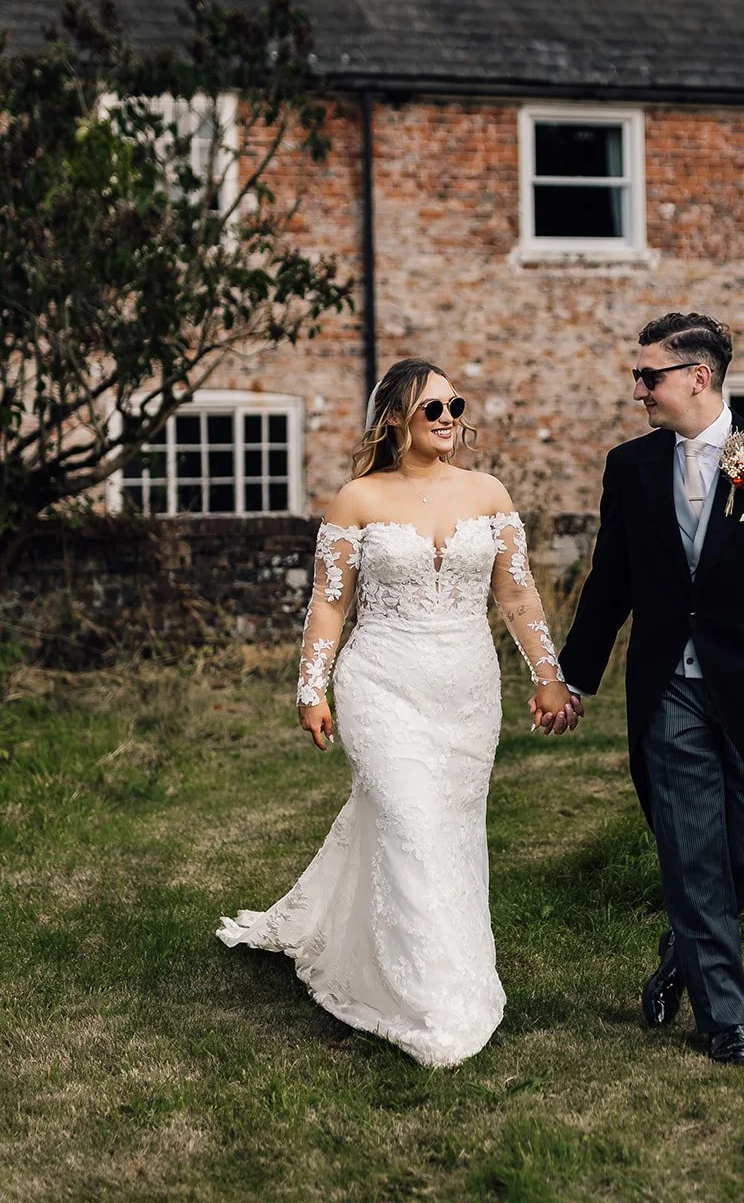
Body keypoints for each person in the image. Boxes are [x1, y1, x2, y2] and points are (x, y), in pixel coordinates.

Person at [217, 358, 581, 1068]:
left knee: (448, 831)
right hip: (381, 683)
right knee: (408, 825)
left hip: (467, 690)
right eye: (430, 409)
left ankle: (430, 961)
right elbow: (330, 602)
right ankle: (428, 1001)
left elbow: (518, 595)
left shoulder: (487, 492)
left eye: (454, 405)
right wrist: (309, 687)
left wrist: (548, 676)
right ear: (394, 421)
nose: (447, 419)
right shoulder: (357, 499)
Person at [556, 312, 744, 1065]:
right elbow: (610, 580)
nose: (637, 391)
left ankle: (679, 953)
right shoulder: (629, 466)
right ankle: (723, 1019)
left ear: (697, 376)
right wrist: (573, 677)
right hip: (668, 690)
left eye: (647, 376)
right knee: (691, 854)